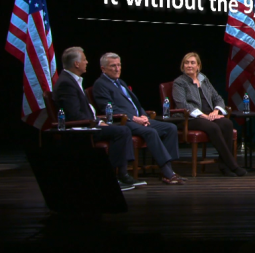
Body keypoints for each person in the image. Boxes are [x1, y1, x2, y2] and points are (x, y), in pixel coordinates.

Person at [52, 47, 141, 191]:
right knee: (123, 131)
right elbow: (74, 115)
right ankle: (115, 176)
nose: (87, 62)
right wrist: (97, 123)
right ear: (76, 64)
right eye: (84, 59)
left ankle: (122, 175)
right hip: (81, 128)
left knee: (122, 130)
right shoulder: (66, 84)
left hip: (90, 123)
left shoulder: (73, 80)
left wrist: (98, 121)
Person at [92, 52, 185, 185]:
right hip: (123, 122)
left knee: (170, 128)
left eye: (119, 65)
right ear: (103, 68)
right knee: (151, 132)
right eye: (113, 66)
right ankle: (168, 173)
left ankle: (168, 170)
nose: (117, 69)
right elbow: (109, 109)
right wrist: (134, 118)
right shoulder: (100, 85)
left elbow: (135, 103)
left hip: (138, 118)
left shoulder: (120, 82)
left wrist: (143, 115)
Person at [172, 52, 246, 177]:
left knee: (227, 123)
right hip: (188, 118)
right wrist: (204, 116)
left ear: (198, 66)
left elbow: (218, 98)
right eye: (186, 63)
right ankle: (233, 165)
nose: (189, 65)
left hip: (208, 116)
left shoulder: (204, 79)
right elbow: (182, 104)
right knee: (213, 127)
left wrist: (215, 111)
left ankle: (224, 166)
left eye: (192, 63)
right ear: (183, 65)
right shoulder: (179, 82)